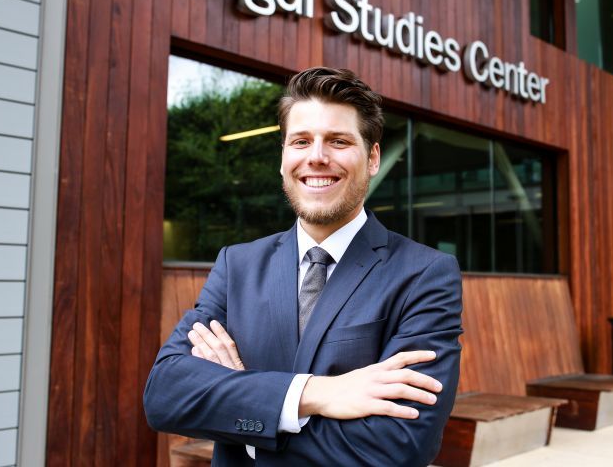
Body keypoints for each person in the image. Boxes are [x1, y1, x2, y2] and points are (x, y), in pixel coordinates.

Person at [144, 67, 463, 466]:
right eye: (301, 141)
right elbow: (165, 396)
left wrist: (244, 410)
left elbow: (399, 445)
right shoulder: (237, 265)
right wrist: (318, 394)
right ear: (283, 158)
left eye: (338, 140)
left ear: (373, 158)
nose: (316, 157)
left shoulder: (424, 275)